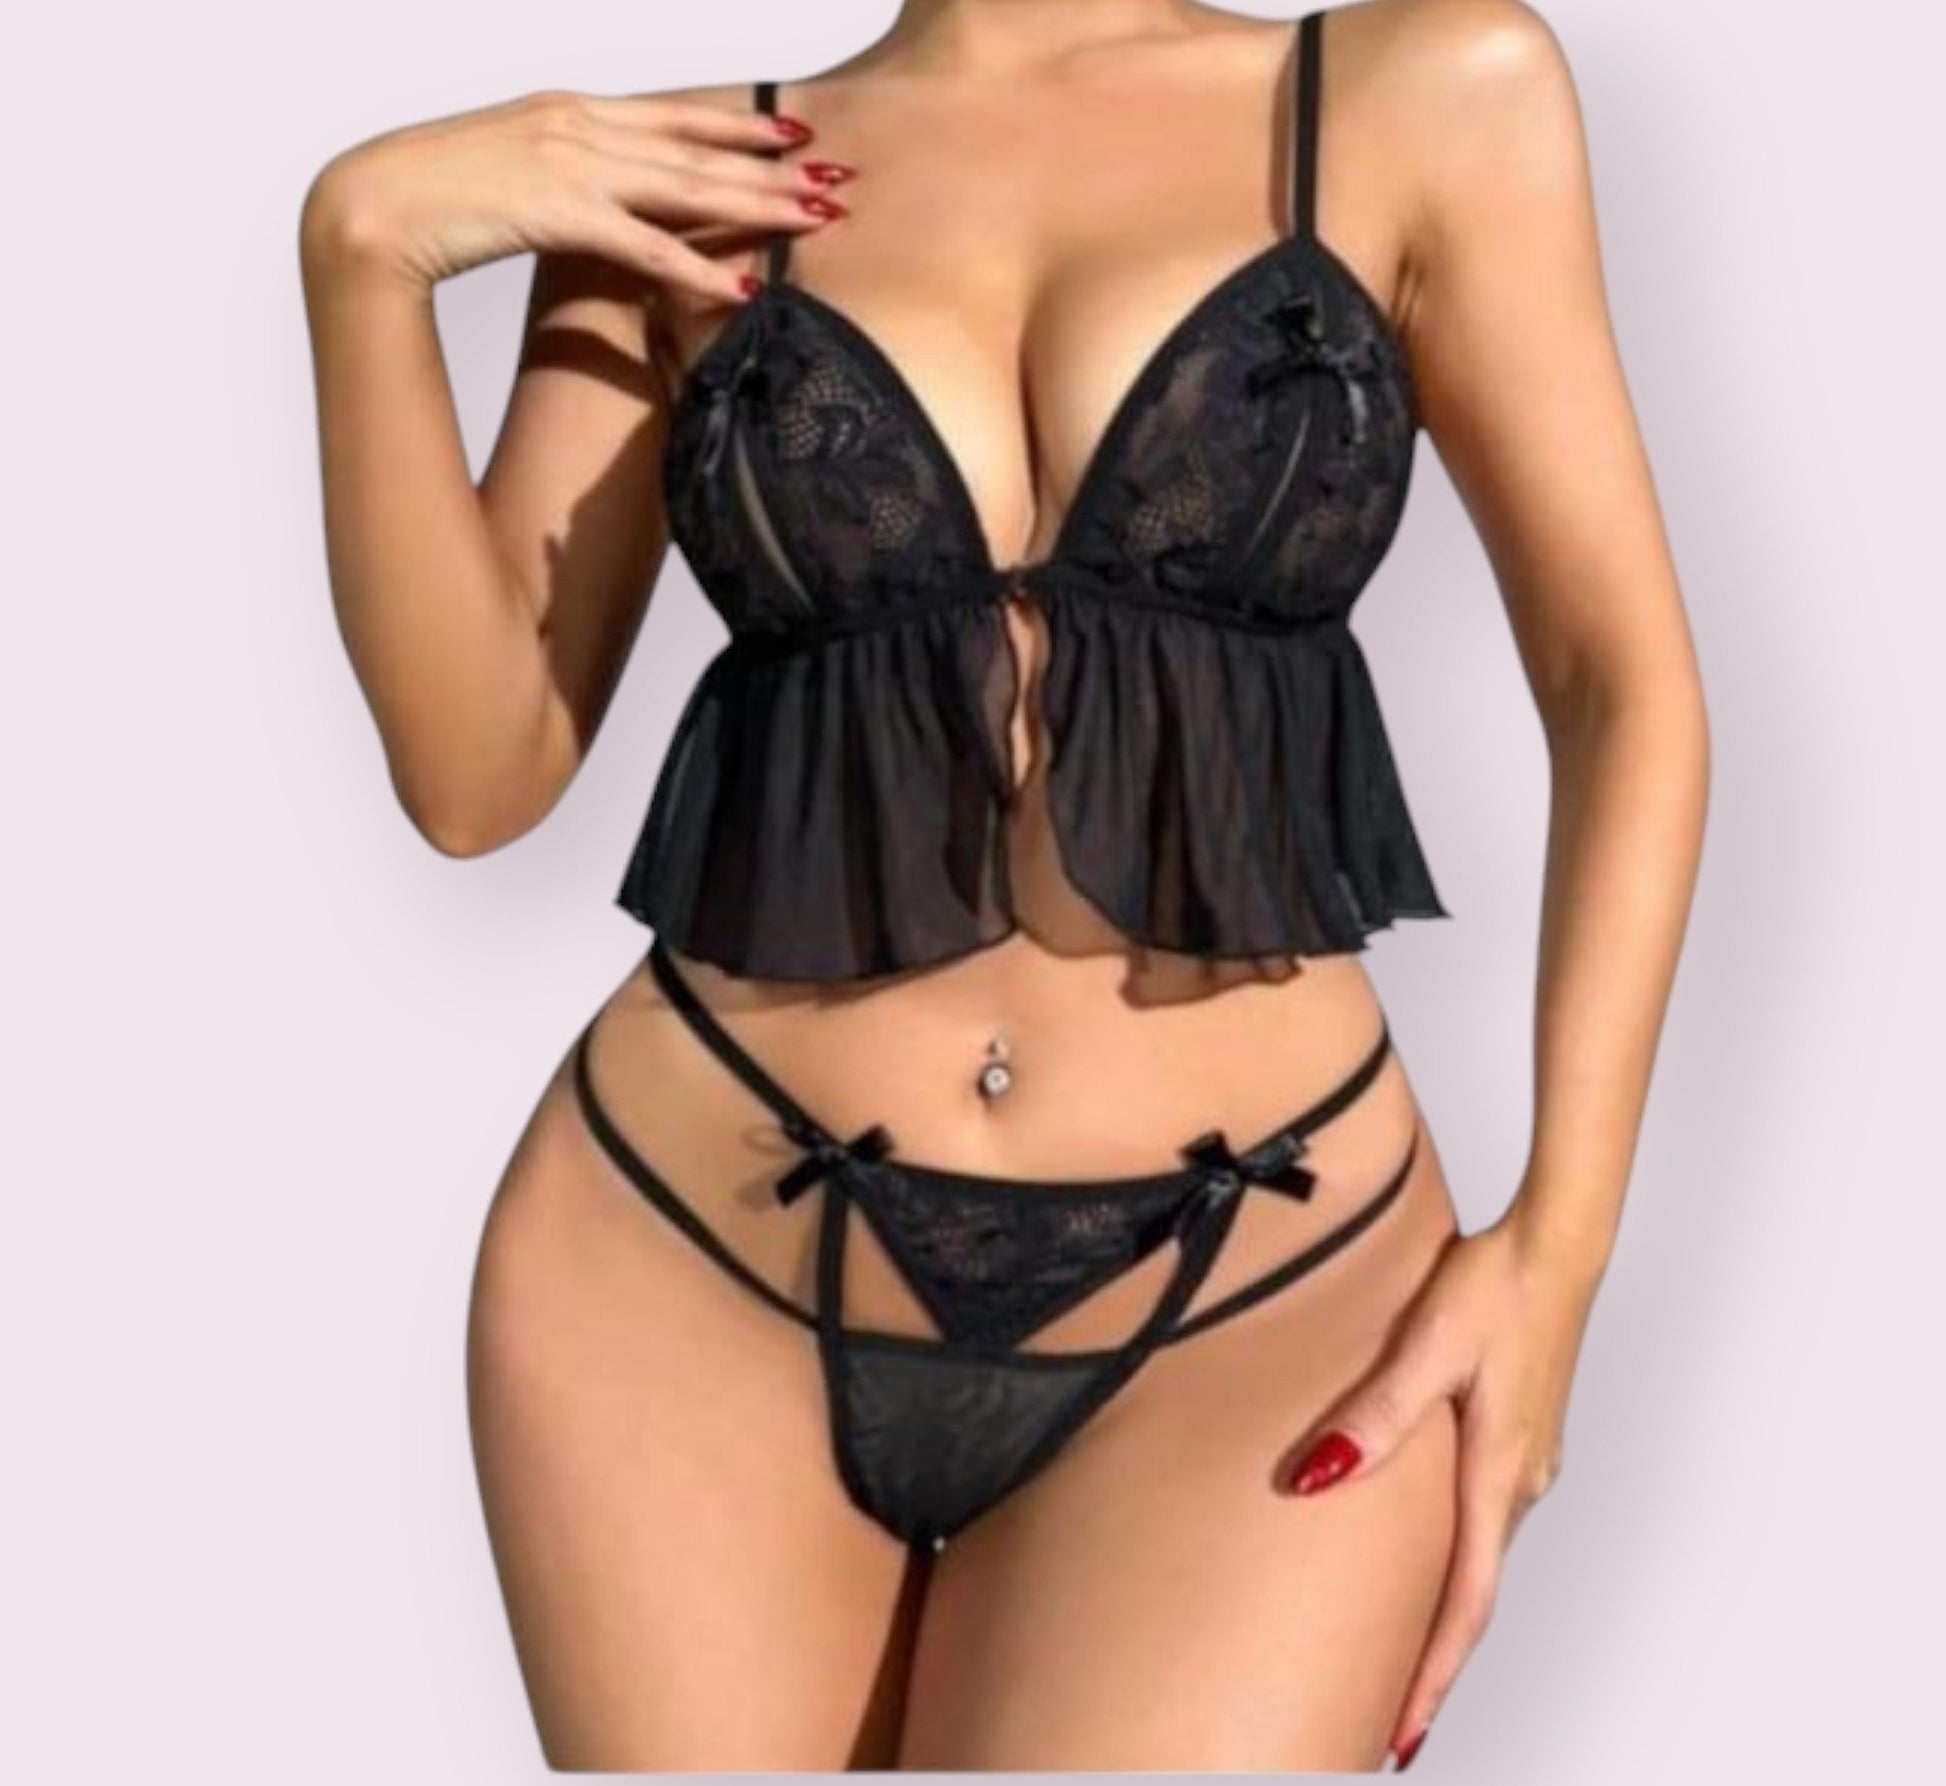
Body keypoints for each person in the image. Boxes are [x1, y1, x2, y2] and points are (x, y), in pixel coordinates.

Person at [298, 0, 1708, 1770]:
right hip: (684, 1258)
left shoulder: (1415, 92)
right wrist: (359, 251)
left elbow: (1619, 684)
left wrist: (1557, 1252)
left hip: (1266, 1289)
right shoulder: (684, 169)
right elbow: (474, 774)